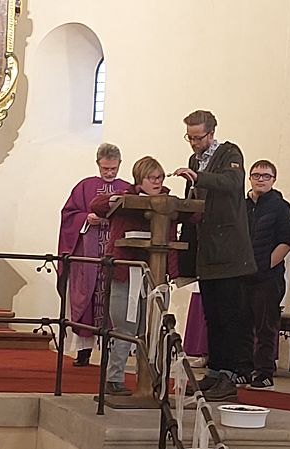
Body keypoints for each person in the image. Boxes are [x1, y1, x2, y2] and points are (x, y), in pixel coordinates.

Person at [174, 110, 256, 402]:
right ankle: (215, 370)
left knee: (231, 316)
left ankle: (232, 374)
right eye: (190, 138)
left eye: (198, 137)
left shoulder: (230, 153)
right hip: (206, 250)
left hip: (230, 250)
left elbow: (231, 183)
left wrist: (199, 177)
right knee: (214, 316)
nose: (194, 144)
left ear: (211, 133)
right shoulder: (194, 160)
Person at [90, 156, 179, 395]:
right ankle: (114, 379)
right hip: (125, 273)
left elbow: (194, 216)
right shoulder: (125, 197)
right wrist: (116, 198)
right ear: (140, 179)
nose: (157, 182)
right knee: (125, 327)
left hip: (156, 273)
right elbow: (96, 205)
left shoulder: (168, 202)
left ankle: (151, 380)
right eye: (152, 178)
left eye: (160, 177)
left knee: (152, 329)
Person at [57, 143, 130, 366]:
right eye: (105, 168)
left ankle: (111, 349)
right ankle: (84, 351)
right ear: (98, 164)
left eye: (113, 168)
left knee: (114, 299)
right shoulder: (85, 186)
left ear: (120, 165)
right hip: (89, 254)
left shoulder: (127, 188)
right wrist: (85, 218)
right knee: (87, 298)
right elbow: (68, 214)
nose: (109, 173)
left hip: (114, 251)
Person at [244, 160, 290, 390]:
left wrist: (266, 265)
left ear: (273, 180)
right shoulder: (242, 205)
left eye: (266, 176)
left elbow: (287, 239)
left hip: (268, 276)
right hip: (243, 273)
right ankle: (244, 369)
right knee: (243, 325)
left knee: (266, 326)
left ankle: (265, 372)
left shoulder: (280, 206)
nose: (261, 179)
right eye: (256, 175)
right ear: (250, 178)